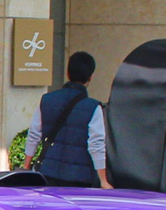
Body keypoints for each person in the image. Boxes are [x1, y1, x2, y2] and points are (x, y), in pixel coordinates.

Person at [34, 51, 111, 188]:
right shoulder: (93, 107)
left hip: (47, 173)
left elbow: (34, 134)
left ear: (68, 73)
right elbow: (96, 144)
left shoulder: (47, 100)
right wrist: (103, 180)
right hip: (79, 178)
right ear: (90, 77)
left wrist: (27, 166)